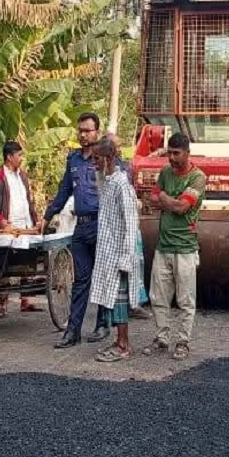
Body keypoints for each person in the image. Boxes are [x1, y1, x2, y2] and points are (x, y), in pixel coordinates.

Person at [141, 132, 206, 360]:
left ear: (187, 152)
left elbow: (181, 208)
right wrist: (171, 201)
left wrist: (167, 201)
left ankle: (183, 341)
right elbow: (152, 198)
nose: (171, 157)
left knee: (186, 299)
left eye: (176, 153)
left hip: (186, 248)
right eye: (169, 153)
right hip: (163, 246)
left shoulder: (198, 178)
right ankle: (161, 338)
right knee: (158, 297)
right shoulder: (165, 173)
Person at [45, 113, 105, 348]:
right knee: (80, 280)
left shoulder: (105, 158)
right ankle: (73, 332)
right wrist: (49, 214)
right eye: (80, 130)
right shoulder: (74, 160)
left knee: (101, 278)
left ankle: (102, 325)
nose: (83, 134)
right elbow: (64, 190)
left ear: (96, 132)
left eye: (87, 130)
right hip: (81, 227)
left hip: (101, 225)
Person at [90, 136, 143, 363]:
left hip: (119, 253)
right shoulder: (108, 181)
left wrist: (126, 257)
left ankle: (123, 344)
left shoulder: (122, 185)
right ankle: (118, 341)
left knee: (119, 300)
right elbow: (100, 182)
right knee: (110, 298)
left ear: (109, 158)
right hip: (107, 252)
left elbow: (131, 224)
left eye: (97, 158)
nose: (94, 163)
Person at [0, 140, 45, 316]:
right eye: (19, 155)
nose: (22, 158)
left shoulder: (22, 176)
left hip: (25, 226)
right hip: (6, 228)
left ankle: (25, 299)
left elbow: (29, 201)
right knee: (4, 265)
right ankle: (3, 303)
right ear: (9, 157)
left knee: (27, 263)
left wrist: (36, 221)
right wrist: (1, 220)